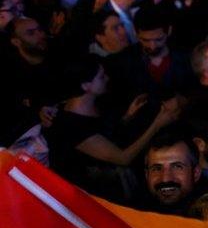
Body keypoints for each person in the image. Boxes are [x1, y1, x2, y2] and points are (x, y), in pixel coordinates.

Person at [46, 55, 180, 202]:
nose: (107, 78)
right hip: (100, 194)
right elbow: (123, 158)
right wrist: (157, 124)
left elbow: (105, 136)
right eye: (101, 77)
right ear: (86, 86)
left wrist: (127, 116)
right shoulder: (73, 126)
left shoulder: (94, 105)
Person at [142, 125, 205, 215]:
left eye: (177, 167)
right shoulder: (131, 215)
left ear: (196, 173)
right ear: (146, 175)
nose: (165, 178)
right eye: (156, 169)